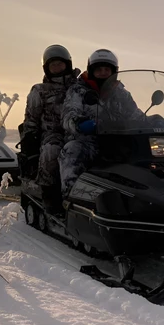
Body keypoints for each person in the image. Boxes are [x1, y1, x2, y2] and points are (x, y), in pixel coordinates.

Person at [59, 49, 148, 196]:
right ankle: (71, 200)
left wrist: (152, 121)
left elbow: (134, 113)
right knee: (71, 151)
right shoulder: (78, 90)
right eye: (99, 69)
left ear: (114, 71)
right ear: (91, 71)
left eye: (107, 69)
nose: (103, 73)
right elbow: (68, 114)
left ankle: (145, 198)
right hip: (89, 141)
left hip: (119, 141)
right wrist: (79, 123)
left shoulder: (121, 93)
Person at [21, 44, 80, 215]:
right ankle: (50, 196)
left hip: (78, 132)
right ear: (47, 68)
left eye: (59, 64)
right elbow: (31, 119)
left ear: (67, 64)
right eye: (52, 65)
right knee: (51, 151)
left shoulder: (78, 87)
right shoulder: (40, 90)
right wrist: (30, 145)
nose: (56, 68)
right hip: (52, 134)